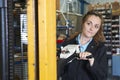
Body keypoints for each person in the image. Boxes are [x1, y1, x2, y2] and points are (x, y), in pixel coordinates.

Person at [57, 10, 108, 80]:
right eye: (89, 24)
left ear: (98, 29)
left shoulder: (100, 48)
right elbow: (59, 71)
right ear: (83, 23)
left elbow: (102, 76)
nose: (91, 29)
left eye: (96, 26)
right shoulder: (67, 43)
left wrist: (92, 61)